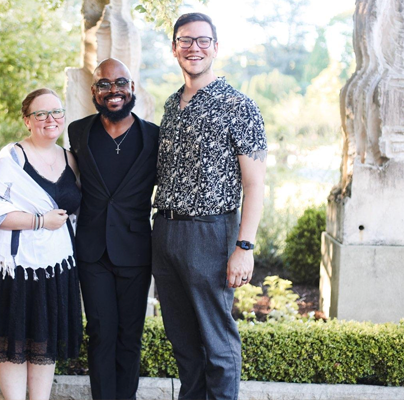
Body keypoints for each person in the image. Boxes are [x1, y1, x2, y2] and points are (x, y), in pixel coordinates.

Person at [152, 13, 267, 400]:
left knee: (217, 344)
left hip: (211, 233)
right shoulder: (171, 105)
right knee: (183, 343)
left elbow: (255, 185)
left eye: (203, 41)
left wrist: (244, 247)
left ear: (216, 48)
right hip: (165, 232)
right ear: (174, 48)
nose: (194, 48)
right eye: (185, 41)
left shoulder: (239, 106)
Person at [0, 88, 83, 400]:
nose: (50, 119)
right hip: (15, 268)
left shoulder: (71, 160)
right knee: (13, 342)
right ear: (27, 121)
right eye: (40, 113)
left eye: (56, 112)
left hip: (56, 265)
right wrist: (39, 221)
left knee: (44, 339)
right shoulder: (12, 156)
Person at [68, 58, 159, 400]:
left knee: (129, 336)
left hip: (136, 250)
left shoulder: (154, 137)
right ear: (94, 92)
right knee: (101, 333)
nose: (113, 90)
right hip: (92, 251)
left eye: (121, 82)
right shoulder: (78, 131)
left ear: (132, 88)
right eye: (104, 84)